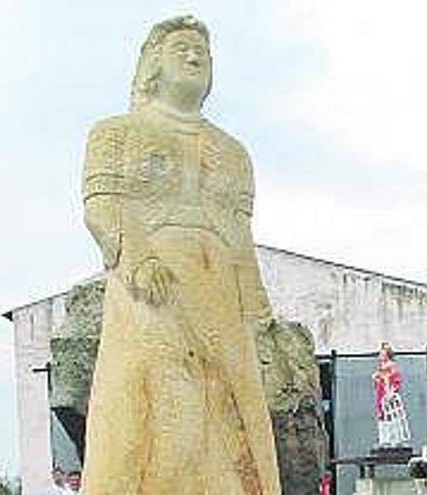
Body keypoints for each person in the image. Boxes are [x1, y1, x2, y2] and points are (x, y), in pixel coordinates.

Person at [80, 15, 281, 494]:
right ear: (153, 62)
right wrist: (139, 260)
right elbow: (102, 206)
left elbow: (241, 239)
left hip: (222, 299)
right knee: (159, 412)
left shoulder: (232, 152)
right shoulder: (114, 134)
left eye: (203, 52)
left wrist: (258, 311)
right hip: (151, 294)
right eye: (183, 49)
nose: (195, 57)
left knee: (235, 418)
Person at [372, 342, 402, 419]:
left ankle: (385, 410)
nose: (380, 357)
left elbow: (392, 375)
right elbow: (378, 376)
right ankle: (382, 413)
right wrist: (377, 377)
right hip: (383, 386)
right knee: (380, 401)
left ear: (387, 355)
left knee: (384, 397)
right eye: (380, 355)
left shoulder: (389, 364)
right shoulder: (382, 365)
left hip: (388, 385)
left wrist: (379, 375)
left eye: (382, 355)